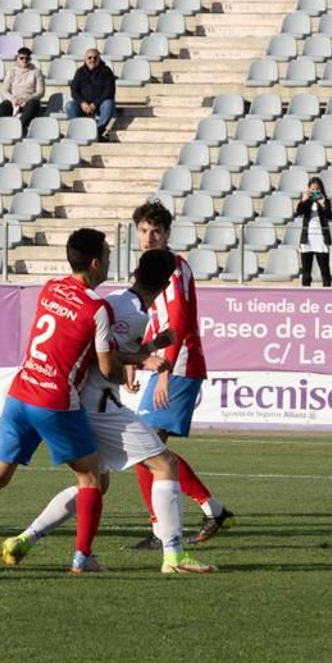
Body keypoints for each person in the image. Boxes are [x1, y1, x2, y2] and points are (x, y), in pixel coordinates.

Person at [2, 249, 214, 575]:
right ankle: (174, 557)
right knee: (165, 464)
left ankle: (26, 539)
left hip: (77, 404)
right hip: (99, 406)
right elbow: (104, 362)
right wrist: (145, 360)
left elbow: (109, 349)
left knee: (95, 485)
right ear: (166, 282)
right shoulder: (136, 314)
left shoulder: (115, 299)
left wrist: (151, 346)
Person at [0, 228, 120, 573]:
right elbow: (105, 366)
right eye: (107, 256)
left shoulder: (50, 289)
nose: (109, 262)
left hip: (21, 392)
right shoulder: (98, 309)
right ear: (94, 262)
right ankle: (83, 557)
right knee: (92, 480)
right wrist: (134, 364)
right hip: (54, 401)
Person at [128, 200, 233, 548]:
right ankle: (196, 515)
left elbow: (179, 322)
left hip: (179, 365)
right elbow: (153, 322)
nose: (148, 237)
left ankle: (200, 513)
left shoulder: (172, 267)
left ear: (167, 234)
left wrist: (162, 374)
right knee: (144, 452)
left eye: (155, 231)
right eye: (143, 231)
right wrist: (134, 359)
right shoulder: (151, 268)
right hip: (165, 364)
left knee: (145, 450)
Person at [66, 47, 118, 139]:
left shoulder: (106, 71)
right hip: (84, 106)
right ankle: (79, 130)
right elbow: (74, 90)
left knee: (109, 104)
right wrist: (82, 102)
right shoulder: (80, 72)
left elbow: (109, 91)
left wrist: (95, 104)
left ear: (99, 58)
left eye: (95, 58)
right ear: (85, 59)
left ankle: (98, 130)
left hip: (100, 105)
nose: (92, 60)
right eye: (89, 58)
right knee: (69, 105)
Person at [0, 47, 45, 135]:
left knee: (33, 106)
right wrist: (12, 99)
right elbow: (5, 90)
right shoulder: (11, 71)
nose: (24, 60)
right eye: (21, 58)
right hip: (14, 100)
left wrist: (28, 99)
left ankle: (17, 128)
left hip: (29, 100)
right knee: (1, 107)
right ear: (17, 58)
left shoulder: (36, 72)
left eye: (27, 58)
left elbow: (41, 92)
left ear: (30, 59)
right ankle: (2, 130)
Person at [295, 176, 332, 287]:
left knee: (325, 270)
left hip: (321, 238)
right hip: (307, 238)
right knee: (306, 272)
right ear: (308, 189)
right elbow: (299, 212)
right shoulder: (306, 201)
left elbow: (330, 216)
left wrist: (323, 204)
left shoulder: (325, 201)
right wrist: (304, 200)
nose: (315, 191)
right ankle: (305, 292)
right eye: (312, 189)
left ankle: (327, 293)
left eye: (317, 189)